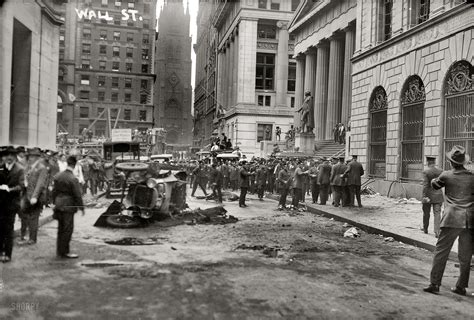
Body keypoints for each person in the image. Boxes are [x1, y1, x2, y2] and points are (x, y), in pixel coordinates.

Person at [423, 146, 474, 296]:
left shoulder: (446, 175)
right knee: (465, 256)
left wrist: (435, 179)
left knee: (441, 251)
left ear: (451, 162)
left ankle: (434, 284)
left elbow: (434, 185)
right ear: (464, 162)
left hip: (451, 218)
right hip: (469, 220)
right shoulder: (472, 176)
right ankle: (461, 287)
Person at [52, 155, 85, 259]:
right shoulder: (73, 179)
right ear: (74, 165)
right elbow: (77, 195)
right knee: (67, 229)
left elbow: (53, 192)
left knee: (60, 229)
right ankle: (65, 252)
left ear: (67, 163)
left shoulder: (58, 176)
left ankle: (59, 251)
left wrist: (54, 202)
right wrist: (81, 207)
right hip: (69, 205)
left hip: (58, 204)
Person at [0, 146, 25, 263]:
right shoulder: (1, 168)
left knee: (9, 229)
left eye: (11, 155)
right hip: (0, 203)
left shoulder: (19, 169)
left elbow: (22, 186)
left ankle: (7, 253)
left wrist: (9, 189)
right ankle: (1, 252)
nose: (9, 158)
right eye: (7, 155)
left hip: (11, 204)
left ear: (14, 157)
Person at [19, 148, 48, 245]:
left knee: (34, 217)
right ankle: (23, 236)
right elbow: (23, 180)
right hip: (26, 194)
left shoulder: (42, 168)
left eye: (32, 156)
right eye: (29, 156)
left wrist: (35, 196)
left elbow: (40, 184)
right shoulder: (27, 167)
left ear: (37, 158)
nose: (30, 158)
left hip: (37, 197)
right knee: (23, 215)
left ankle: (32, 238)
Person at [421, 156, 443, 237]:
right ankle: (437, 232)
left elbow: (425, 185)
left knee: (426, 213)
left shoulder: (426, 172)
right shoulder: (440, 171)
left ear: (427, 162)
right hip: (438, 196)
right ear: (434, 163)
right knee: (437, 213)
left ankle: (425, 229)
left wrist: (424, 196)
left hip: (428, 196)